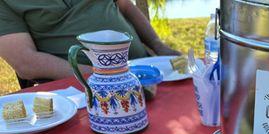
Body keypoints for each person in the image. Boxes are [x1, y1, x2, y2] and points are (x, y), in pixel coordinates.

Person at [0, 0, 179, 81]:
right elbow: (26, 62)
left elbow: (125, 7)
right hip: (83, 90)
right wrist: (106, 76)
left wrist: (158, 45)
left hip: (146, 71)